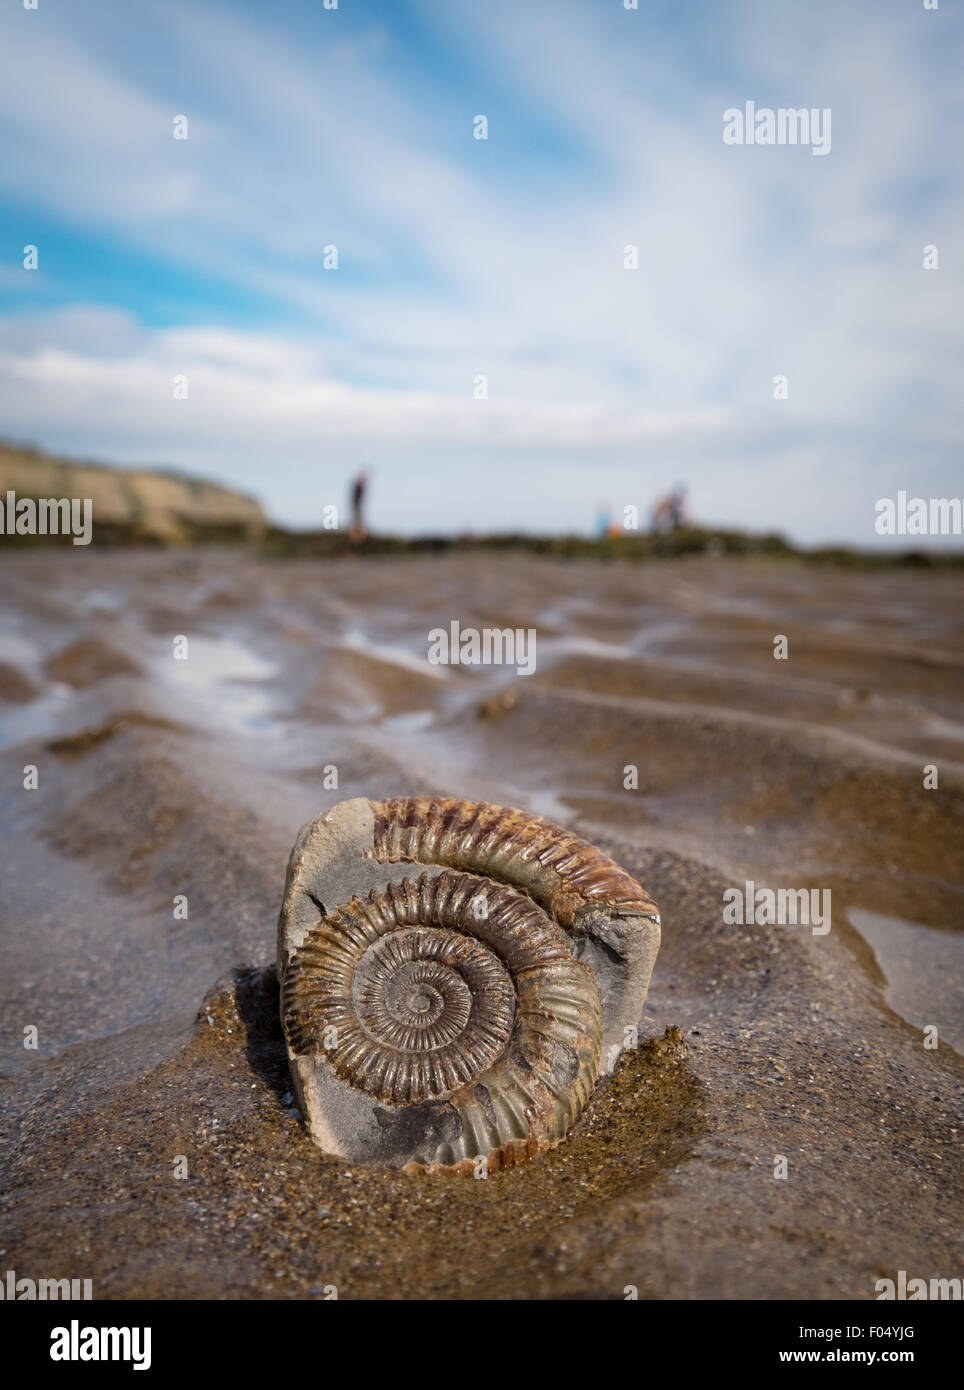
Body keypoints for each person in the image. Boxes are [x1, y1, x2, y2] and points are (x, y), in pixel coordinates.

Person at [349, 469, 369, 543]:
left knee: (358, 521)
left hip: (357, 505)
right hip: (357, 506)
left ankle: (358, 538)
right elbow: (355, 498)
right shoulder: (358, 486)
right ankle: (356, 538)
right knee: (357, 521)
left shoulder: (359, 486)